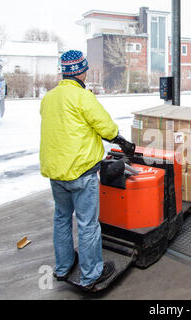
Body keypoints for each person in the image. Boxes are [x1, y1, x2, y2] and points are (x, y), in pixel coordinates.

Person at [39, 50, 131, 291]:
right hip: (81, 172)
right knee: (88, 224)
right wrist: (121, 140)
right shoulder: (82, 97)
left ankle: (63, 267)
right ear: (80, 70)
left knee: (61, 219)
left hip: (56, 173)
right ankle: (91, 275)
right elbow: (106, 126)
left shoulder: (49, 98)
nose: (87, 72)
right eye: (85, 68)